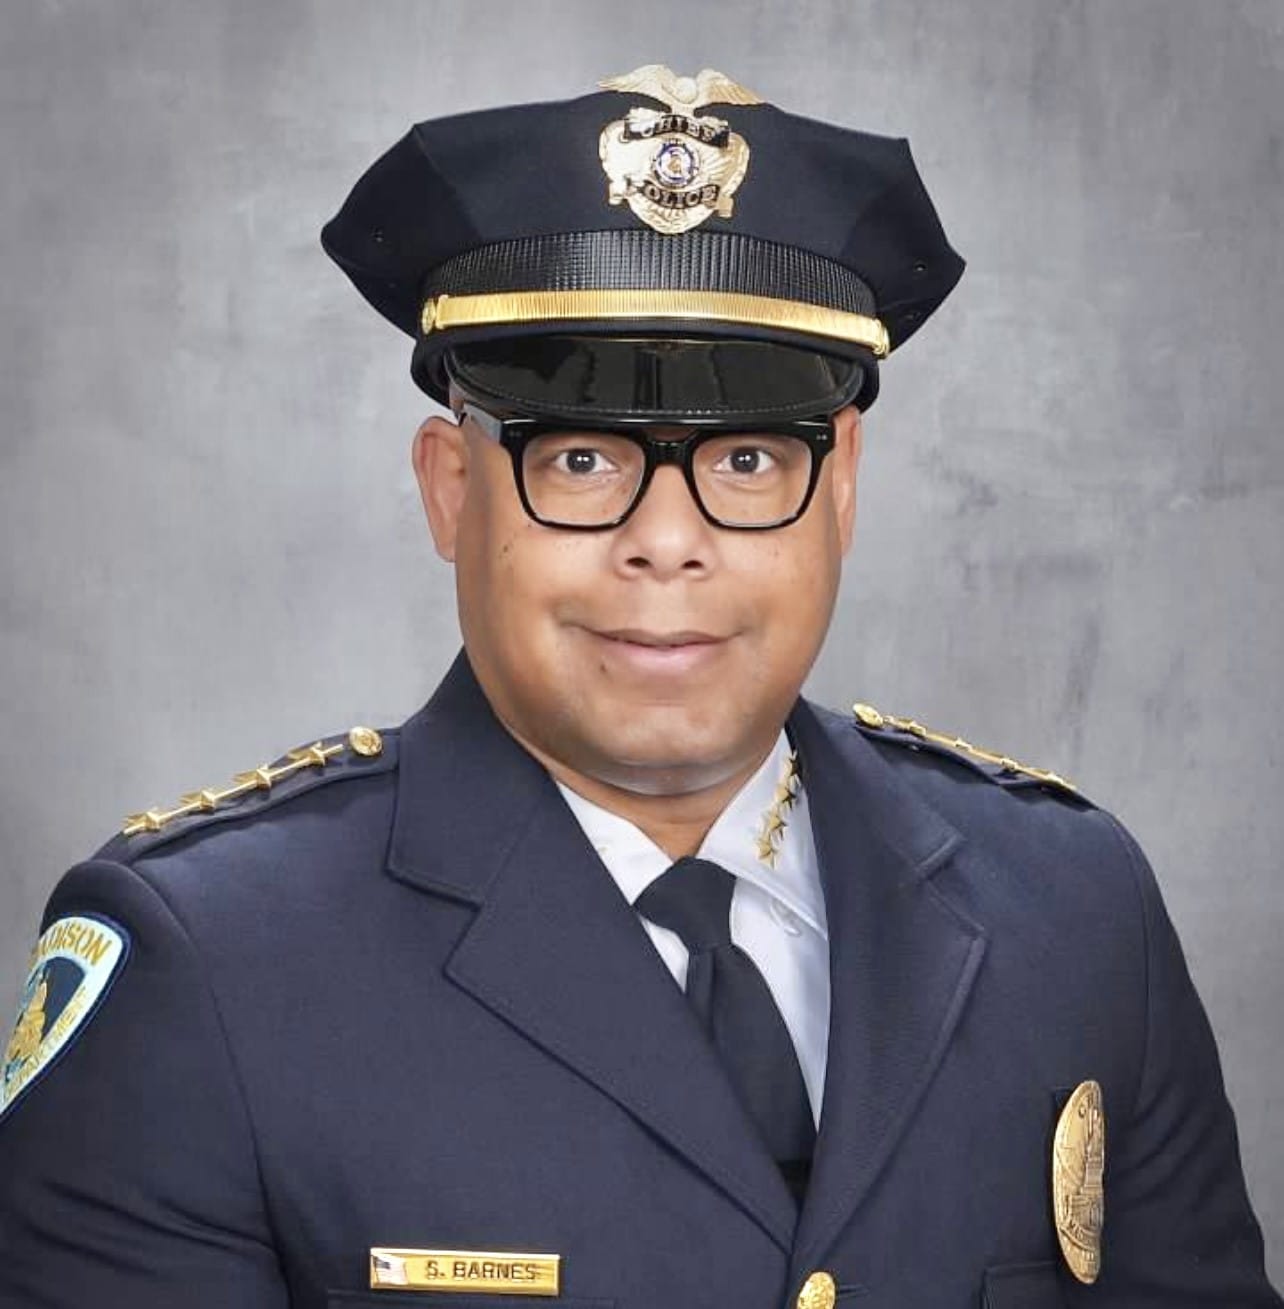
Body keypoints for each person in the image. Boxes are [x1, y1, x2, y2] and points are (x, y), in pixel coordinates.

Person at [0, 64, 1278, 1309]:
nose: (667, 539)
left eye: (744, 456)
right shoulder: (206, 972)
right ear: (452, 491)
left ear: (840, 490)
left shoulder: (1075, 914)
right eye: (579, 458)